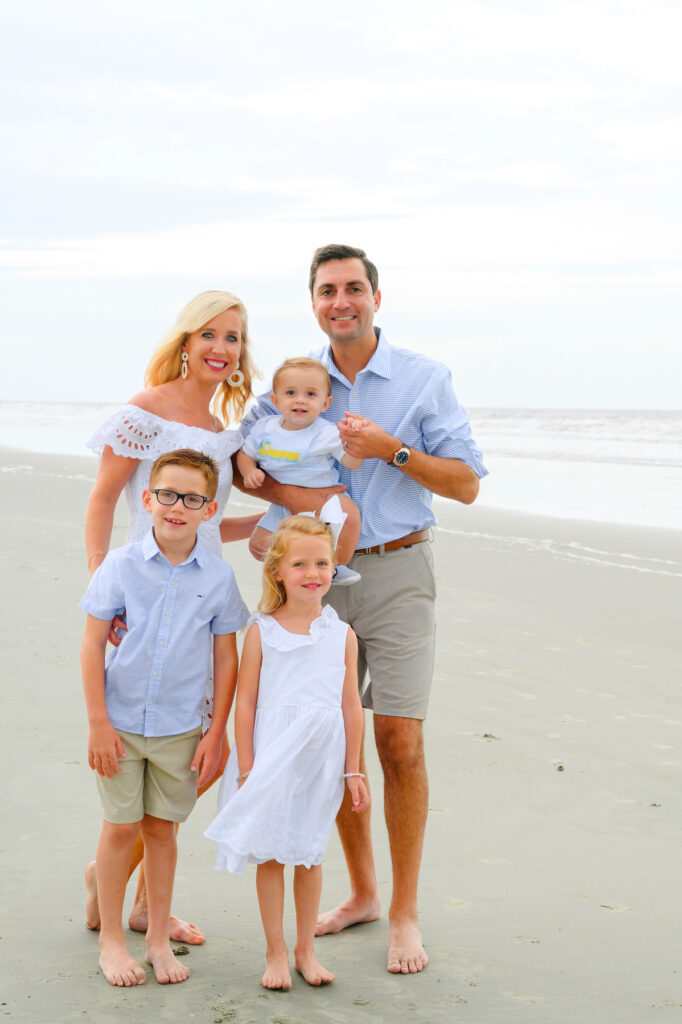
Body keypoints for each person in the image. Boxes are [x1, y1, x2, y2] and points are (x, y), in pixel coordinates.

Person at [236, 244, 488, 975]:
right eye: (326, 290)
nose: (339, 301)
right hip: (313, 584)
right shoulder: (293, 382)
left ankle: (404, 914)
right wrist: (295, 507)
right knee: (325, 741)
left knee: (398, 744)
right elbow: (245, 462)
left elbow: (467, 483)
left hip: (399, 570)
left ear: (377, 296)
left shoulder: (422, 378)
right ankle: (363, 894)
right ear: (313, 302)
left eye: (352, 288)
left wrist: (392, 450)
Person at [83, 290, 261, 945]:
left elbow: (204, 521)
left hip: (202, 600)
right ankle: (108, 885)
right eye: (209, 334)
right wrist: (105, 588)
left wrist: (268, 526)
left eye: (233, 338)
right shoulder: (145, 411)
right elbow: (103, 501)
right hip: (141, 597)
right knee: (135, 758)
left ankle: (138, 908)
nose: (220, 348)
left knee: (181, 764)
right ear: (186, 340)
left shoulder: (226, 429)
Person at [80, 449, 249, 986]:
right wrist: (98, 723)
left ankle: (154, 939)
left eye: (193, 499)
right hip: (122, 722)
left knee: (161, 831)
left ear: (210, 510)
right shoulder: (120, 566)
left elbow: (227, 658)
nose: (178, 506)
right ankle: (111, 941)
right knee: (120, 826)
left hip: (182, 727)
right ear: (149, 500)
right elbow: (90, 648)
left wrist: (216, 733)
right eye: (169, 495)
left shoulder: (219, 578)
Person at [204, 516, 370, 991]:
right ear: (278, 571)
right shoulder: (262, 632)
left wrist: (353, 770)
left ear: (335, 568)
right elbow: (247, 702)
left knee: (309, 855)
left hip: (321, 759)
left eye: (322, 562)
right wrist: (249, 764)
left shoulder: (342, 635)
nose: (312, 572)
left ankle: (305, 951)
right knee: (272, 856)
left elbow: (350, 705)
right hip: (272, 755)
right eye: (300, 563)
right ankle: (275, 951)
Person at [237, 356, 364, 584]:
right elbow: (245, 454)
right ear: (275, 400)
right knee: (257, 546)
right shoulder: (264, 428)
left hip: (323, 498)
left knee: (350, 516)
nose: (300, 401)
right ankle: (293, 565)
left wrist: (354, 443)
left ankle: (334, 567)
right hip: (282, 503)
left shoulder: (325, 432)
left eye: (311, 394)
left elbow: (352, 463)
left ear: (326, 403)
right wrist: (249, 472)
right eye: (291, 393)